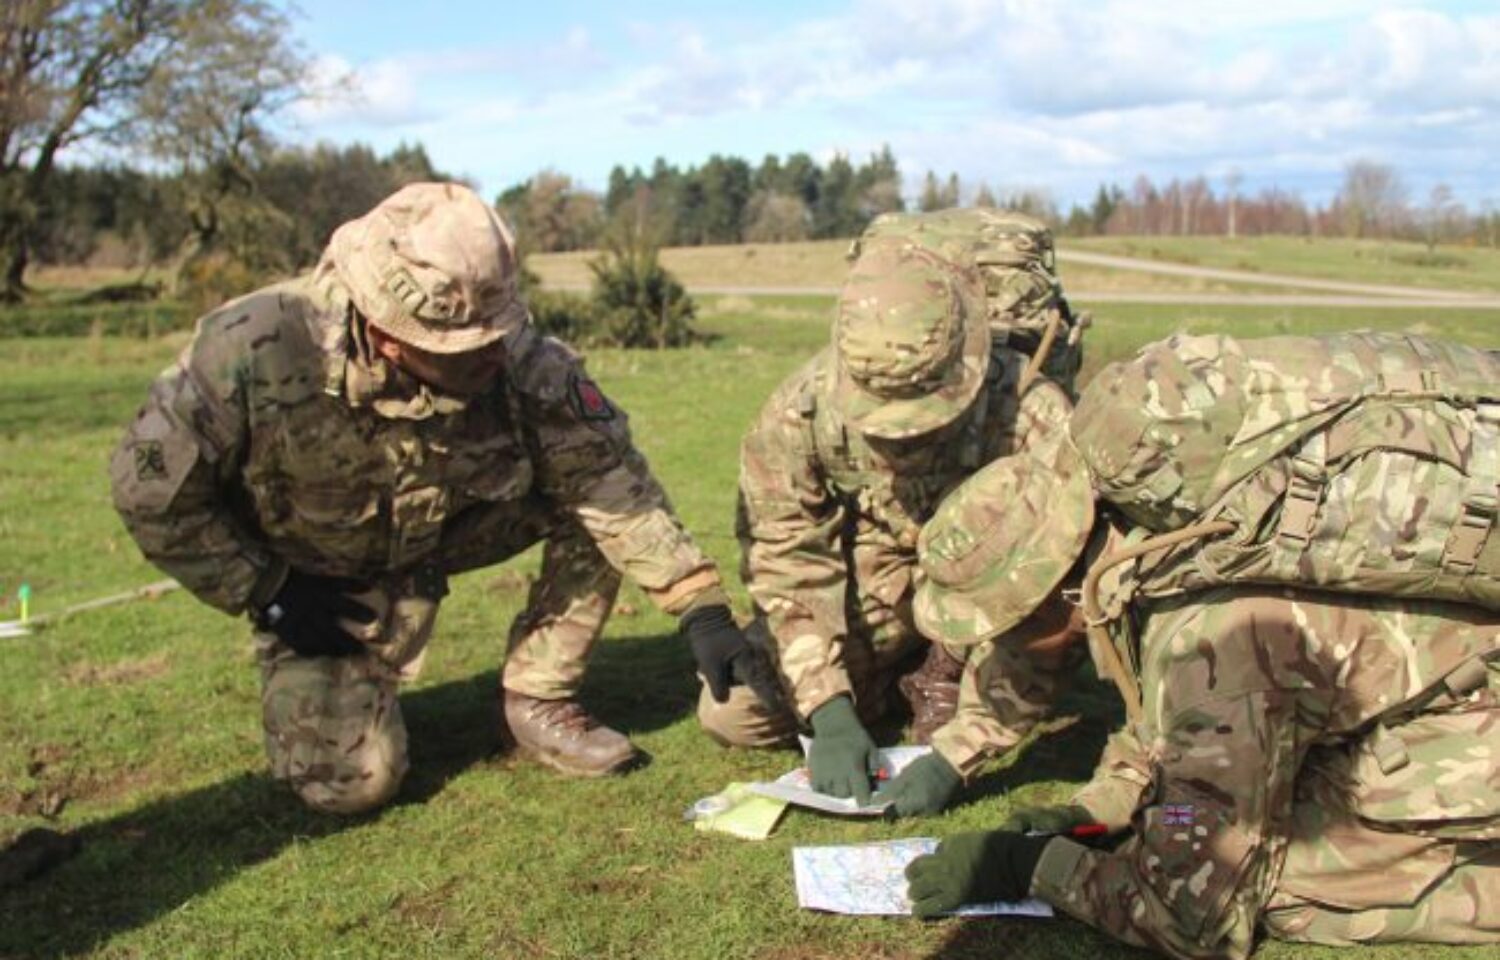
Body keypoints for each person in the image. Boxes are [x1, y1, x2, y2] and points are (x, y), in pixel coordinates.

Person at [109, 182, 777, 815]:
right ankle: (347, 679)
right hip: (321, 581)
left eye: (496, 332)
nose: (491, 354)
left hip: (457, 527)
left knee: (593, 508)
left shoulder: (515, 354)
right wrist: (270, 590)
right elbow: (152, 497)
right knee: (352, 785)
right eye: (461, 347)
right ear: (390, 333)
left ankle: (537, 697)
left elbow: (608, 477)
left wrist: (699, 608)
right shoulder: (255, 349)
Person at [905, 331, 1499, 958]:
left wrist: (1031, 868)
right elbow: (1164, 740)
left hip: (1466, 747)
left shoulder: (1210, 638)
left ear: (1056, 593)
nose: (1000, 645)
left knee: (1277, 885)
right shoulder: (1160, 547)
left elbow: (1190, 918)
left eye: (1005, 625)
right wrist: (1096, 808)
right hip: (1426, 714)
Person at [700, 238, 1080, 817]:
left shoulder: (1033, 412)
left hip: (987, 603)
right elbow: (787, 560)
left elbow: (1061, 594)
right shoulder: (798, 415)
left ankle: (949, 674)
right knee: (733, 712)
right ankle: (900, 677)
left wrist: (961, 752)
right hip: (883, 589)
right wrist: (827, 708)